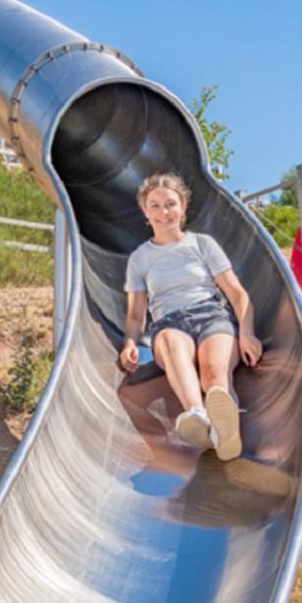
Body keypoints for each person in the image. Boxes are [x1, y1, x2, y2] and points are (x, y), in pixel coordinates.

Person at [118, 172, 262, 460]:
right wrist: (130, 344)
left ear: (183, 207)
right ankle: (197, 415)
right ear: (145, 212)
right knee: (172, 343)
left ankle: (225, 424)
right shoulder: (140, 258)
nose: (164, 212)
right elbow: (136, 316)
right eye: (155, 206)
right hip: (169, 323)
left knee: (213, 371)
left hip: (211, 315)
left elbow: (237, 294)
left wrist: (247, 332)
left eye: (170, 204)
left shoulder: (202, 244)